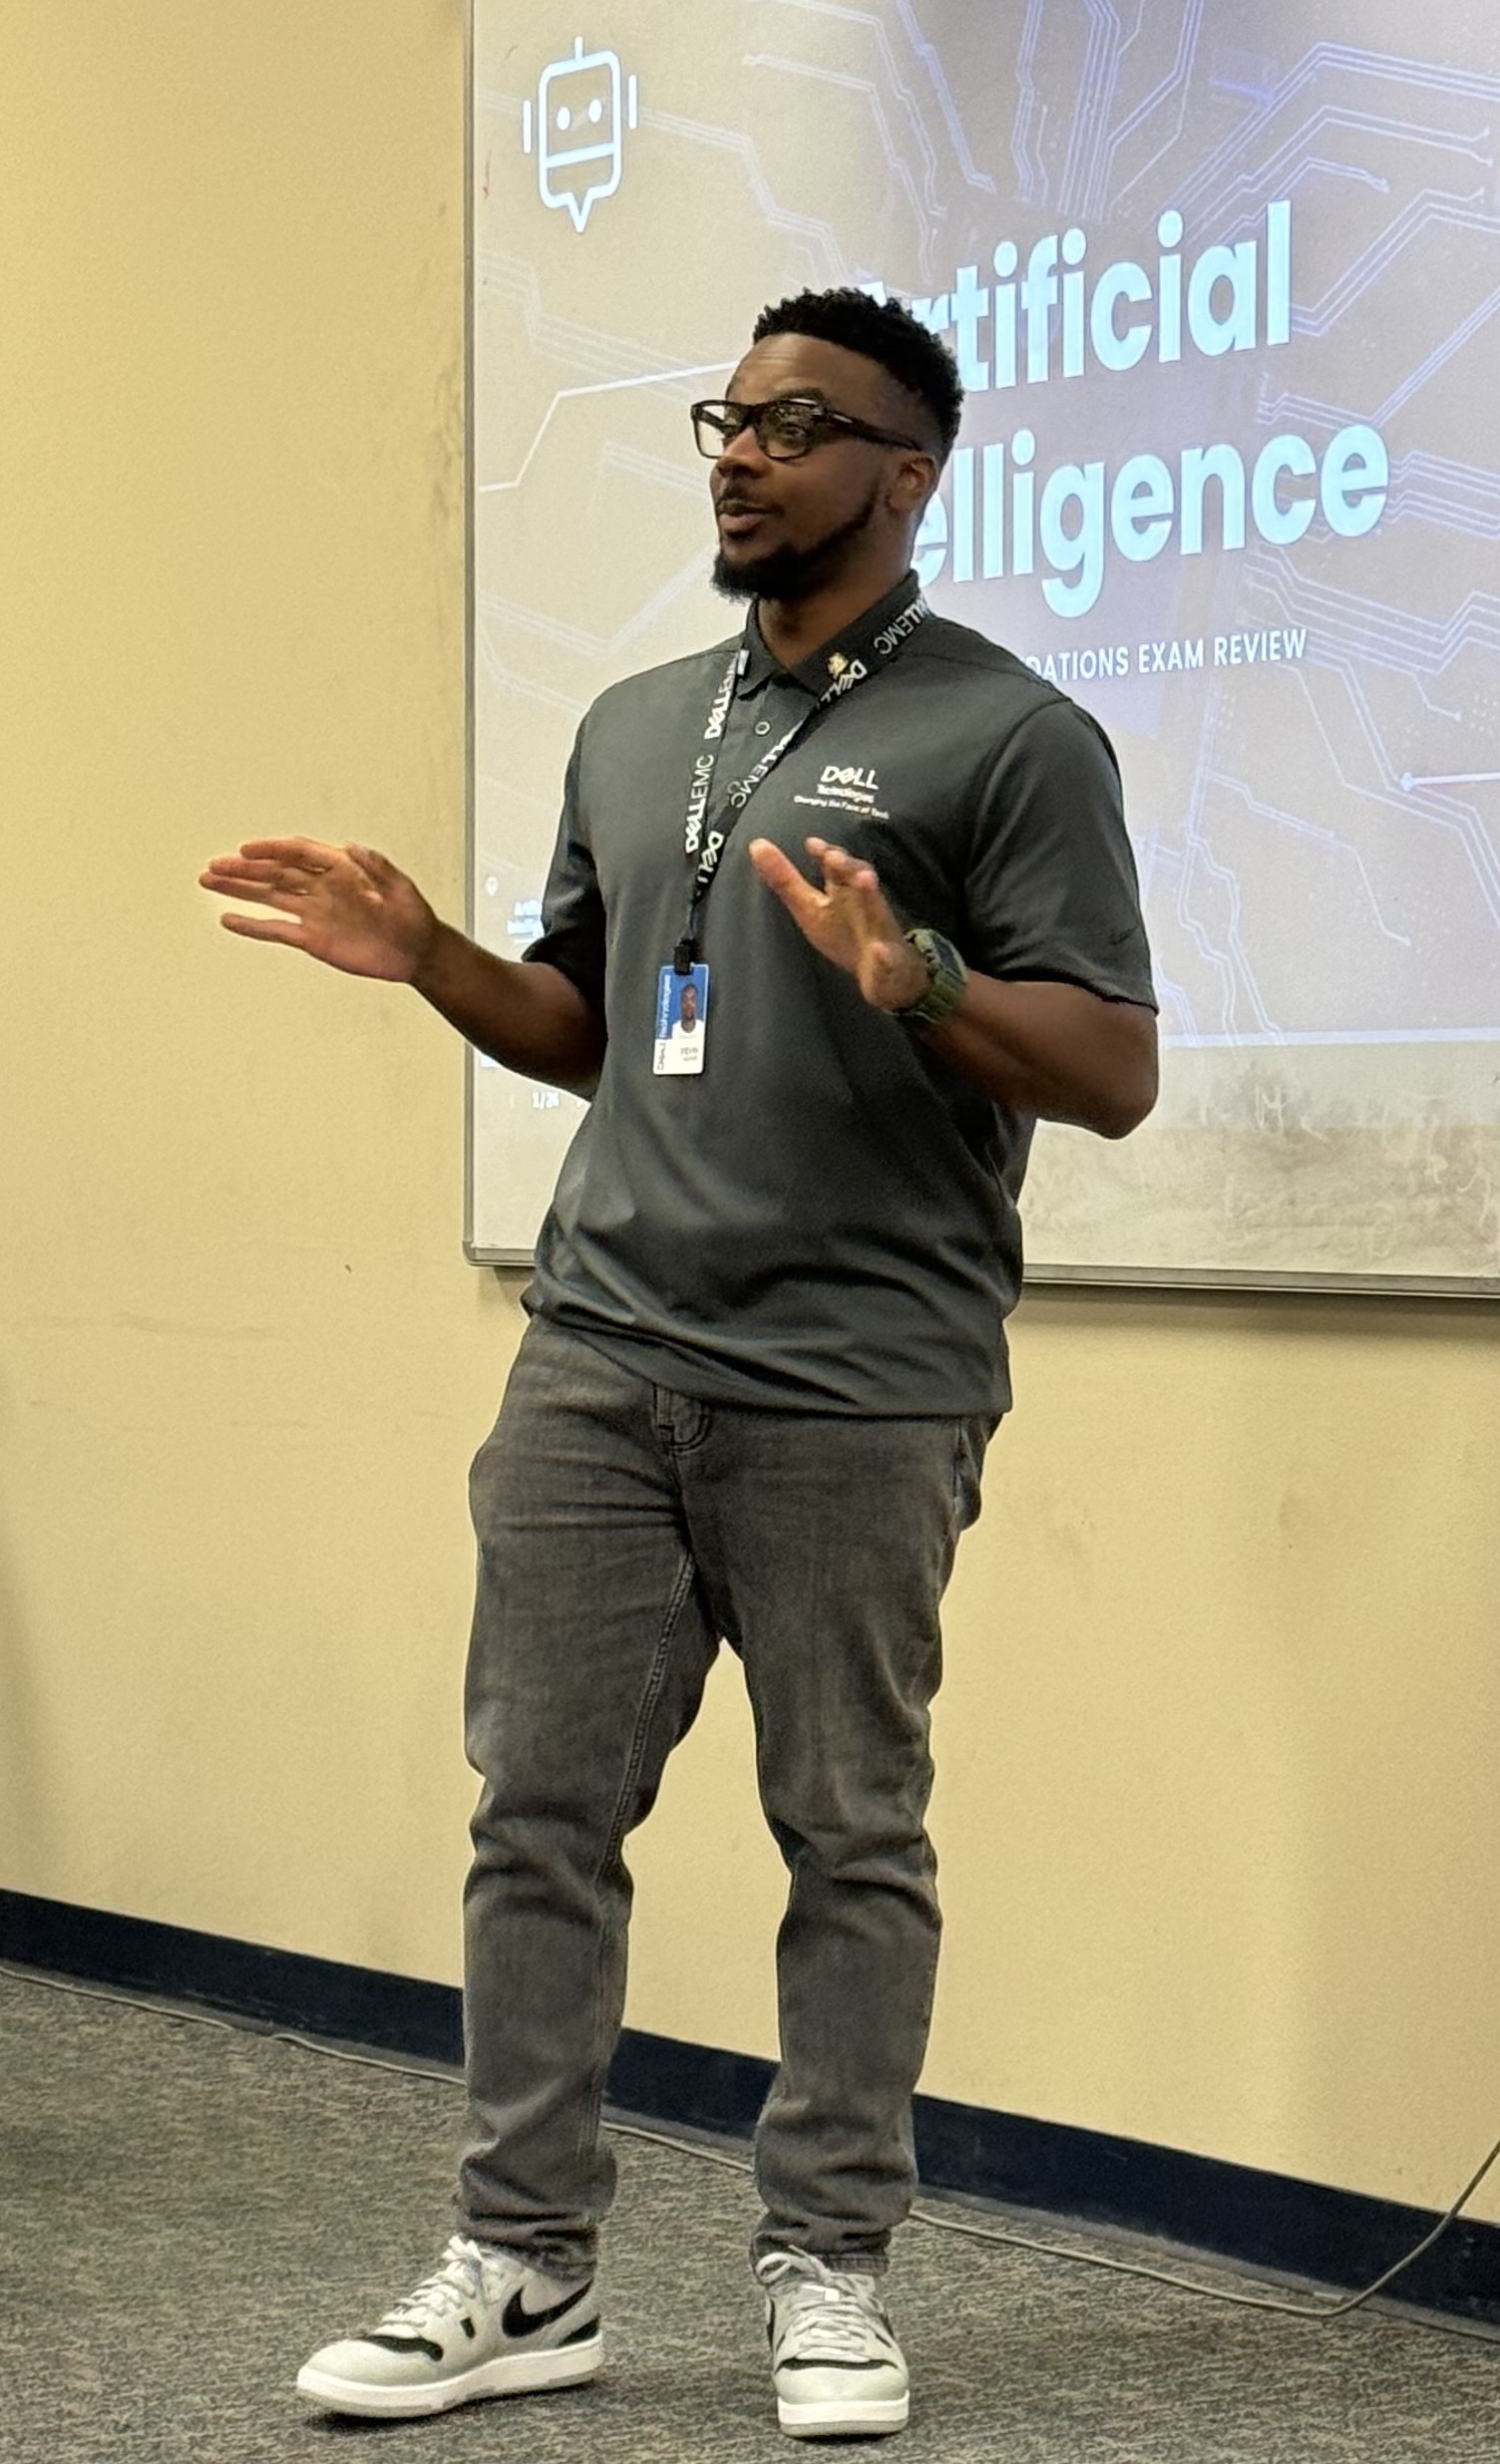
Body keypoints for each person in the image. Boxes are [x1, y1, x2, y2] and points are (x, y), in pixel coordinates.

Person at [200, 285, 1158, 2442]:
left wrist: (915, 979)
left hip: (859, 1382)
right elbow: (591, 1019)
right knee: (535, 1811)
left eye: (798, 424)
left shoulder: (1012, 741)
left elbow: (1107, 1068)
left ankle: (827, 2269)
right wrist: (430, 956)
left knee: (849, 1833)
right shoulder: (635, 724)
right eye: (725, 415)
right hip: (597, 1357)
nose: (740, 451)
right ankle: (522, 2267)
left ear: (907, 472)